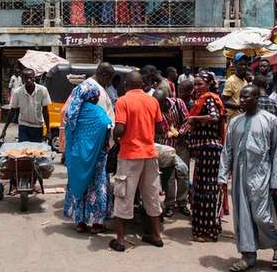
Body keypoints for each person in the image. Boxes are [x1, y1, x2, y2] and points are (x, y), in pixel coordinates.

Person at [218, 85, 277, 272]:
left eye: (247, 97)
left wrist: (276, 181)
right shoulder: (235, 122)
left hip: (261, 174)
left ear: (257, 98)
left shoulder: (269, 120)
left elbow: (276, 152)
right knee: (243, 216)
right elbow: (228, 150)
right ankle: (248, 255)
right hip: (239, 174)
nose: (243, 101)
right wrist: (223, 176)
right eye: (241, 97)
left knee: (261, 216)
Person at [109, 71, 164, 252]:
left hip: (130, 155)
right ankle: (156, 235)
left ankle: (121, 240)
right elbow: (159, 128)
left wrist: (114, 135)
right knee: (151, 194)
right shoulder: (153, 101)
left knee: (123, 194)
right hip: (150, 154)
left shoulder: (123, 101)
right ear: (142, 84)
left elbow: (120, 129)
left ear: (126, 84)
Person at [62, 80, 113, 234]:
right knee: (98, 187)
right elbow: (108, 130)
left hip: (77, 158)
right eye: (97, 96)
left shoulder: (72, 113)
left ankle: (80, 223)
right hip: (97, 158)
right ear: (92, 97)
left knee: (80, 187)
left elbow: (68, 136)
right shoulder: (99, 113)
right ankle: (97, 223)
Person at [186, 71, 226, 241]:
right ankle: (209, 228)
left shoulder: (209, 98)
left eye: (199, 84)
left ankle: (205, 230)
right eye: (195, 84)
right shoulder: (204, 98)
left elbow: (214, 117)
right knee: (204, 190)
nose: (196, 87)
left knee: (206, 190)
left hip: (208, 149)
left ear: (209, 84)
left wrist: (195, 118)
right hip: (206, 150)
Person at [154, 89, 190, 218]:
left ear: (165, 101)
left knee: (183, 173)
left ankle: (182, 202)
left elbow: (187, 120)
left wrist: (181, 132)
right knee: (169, 176)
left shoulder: (178, 103)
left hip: (180, 144)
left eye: (159, 104)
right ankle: (169, 204)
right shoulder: (155, 110)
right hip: (165, 145)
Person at [1, 68, 51, 144]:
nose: (28, 80)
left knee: (36, 153)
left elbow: (45, 111)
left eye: (31, 78)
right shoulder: (17, 92)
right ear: (22, 79)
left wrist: (48, 130)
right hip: (24, 126)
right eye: (26, 78)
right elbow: (12, 111)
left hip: (37, 127)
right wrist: (4, 130)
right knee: (23, 151)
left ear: (34, 78)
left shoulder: (42, 90)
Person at [222, 53, 249, 120]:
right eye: (240, 64)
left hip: (243, 117)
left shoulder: (245, 80)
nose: (243, 67)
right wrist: (239, 106)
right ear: (235, 65)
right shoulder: (230, 81)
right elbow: (224, 101)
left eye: (245, 65)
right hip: (234, 118)